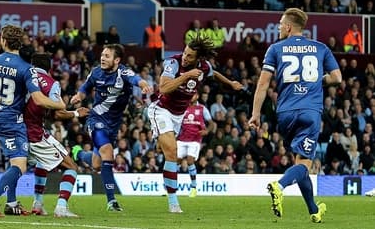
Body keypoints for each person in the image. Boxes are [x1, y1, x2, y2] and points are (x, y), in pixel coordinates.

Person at [248, 8, 342, 223]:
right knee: (304, 164)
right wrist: (318, 80)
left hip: (285, 113)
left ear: (289, 27)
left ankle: (314, 210)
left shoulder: (275, 49)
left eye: (281, 23)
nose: (279, 27)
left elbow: (263, 84)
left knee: (299, 162)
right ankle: (279, 185)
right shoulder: (320, 48)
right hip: (309, 112)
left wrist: (255, 114)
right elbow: (337, 77)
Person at [147, 34, 243, 213]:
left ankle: (165, 166)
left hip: (178, 116)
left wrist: (230, 83)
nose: (185, 57)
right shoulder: (173, 63)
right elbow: (164, 88)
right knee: (172, 153)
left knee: (170, 154)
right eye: (184, 53)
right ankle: (173, 202)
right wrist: (186, 76)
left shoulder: (204, 67)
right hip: (160, 110)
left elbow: (214, 74)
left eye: (190, 56)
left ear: (199, 59)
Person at [0, 25, 66, 217]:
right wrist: (61, 105)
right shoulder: (25, 68)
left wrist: (1, 98)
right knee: (20, 165)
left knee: (15, 161)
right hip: (11, 121)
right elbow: (38, 99)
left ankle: (11, 204)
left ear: (4, 40)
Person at [70, 44, 153, 211]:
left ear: (117, 60)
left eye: (107, 56)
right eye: (102, 55)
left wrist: (143, 85)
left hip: (114, 125)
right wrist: (78, 96)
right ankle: (111, 201)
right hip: (96, 119)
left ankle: (78, 153)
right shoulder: (95, 72)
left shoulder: (124, 73)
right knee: (107, 152)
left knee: (97, 164)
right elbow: (84, 88)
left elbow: (137, 79)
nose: (102, 58)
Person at [26, 53, 89, 218]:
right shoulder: (50, 83)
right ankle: (61, 207)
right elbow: (58, 114)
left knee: (41, 162)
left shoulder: (23, 77)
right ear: (49, 68)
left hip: (16, 131)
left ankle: (37, 204)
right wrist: (76, 113)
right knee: (71, 166)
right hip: (35, 133)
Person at [176, 93, 213, 197]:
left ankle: (193, 187)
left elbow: (211, 123)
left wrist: (207, 131)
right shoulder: (183, 107)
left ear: (197, 96)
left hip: (195, 139)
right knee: (176, 161)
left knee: (189, 160)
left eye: (192, 95)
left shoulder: (202, 109)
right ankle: (170, 187)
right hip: (182, 139)